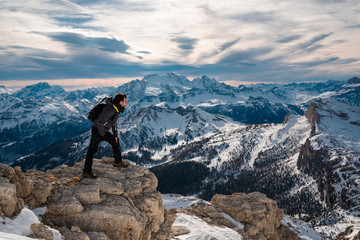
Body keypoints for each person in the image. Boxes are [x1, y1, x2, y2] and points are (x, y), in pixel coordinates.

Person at [83, 93, 128, 179]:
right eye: (125, 100)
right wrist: (102, 134)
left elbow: (114, 123)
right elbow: (99, 122)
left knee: (115, 142)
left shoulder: (117, 109)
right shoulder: (110, 109)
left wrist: (115, 135)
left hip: (103, 130)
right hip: (97, 130)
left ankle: (118, 162)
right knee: (92, 150)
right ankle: (86, 171)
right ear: (120, 102)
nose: (126, 102)